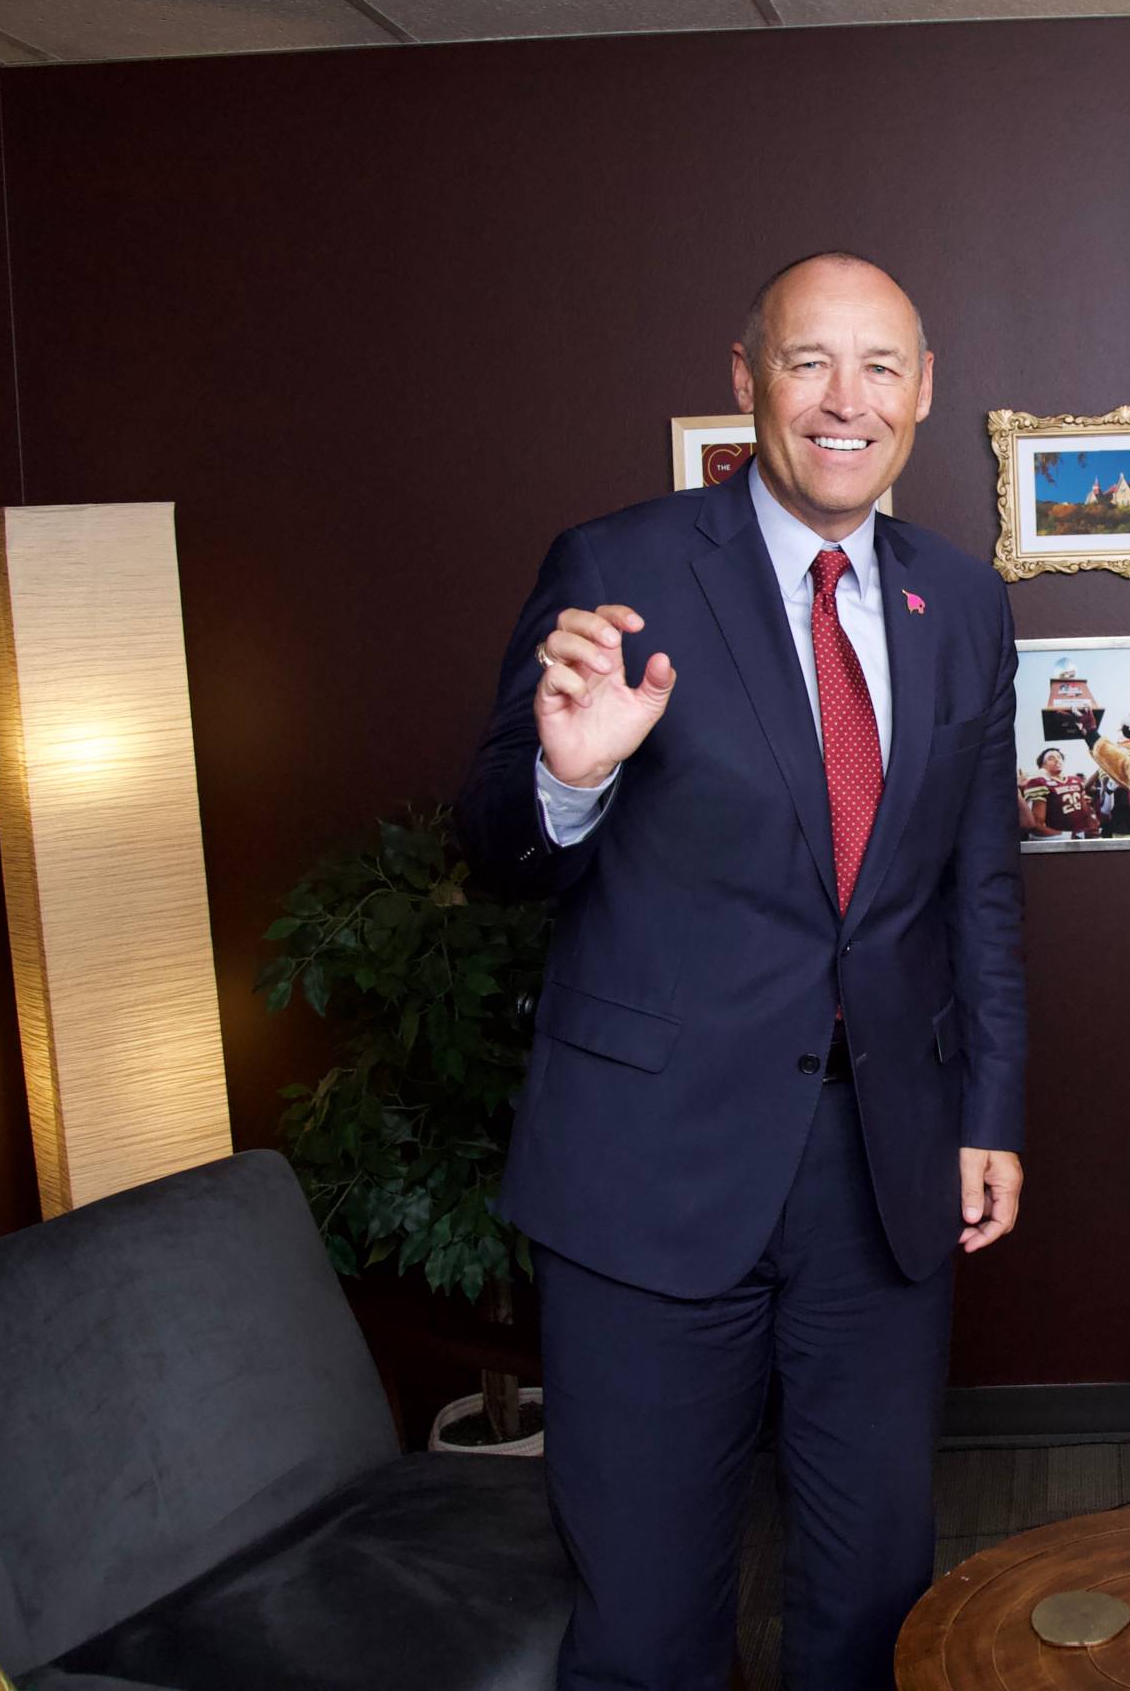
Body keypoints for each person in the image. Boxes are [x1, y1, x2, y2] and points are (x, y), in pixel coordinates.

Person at [459, 252, 1028, 1691]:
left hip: (881, 1167)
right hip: (648, 1168)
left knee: (875, 1596)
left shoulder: (963, 604)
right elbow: (494, 852)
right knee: (647, 1618)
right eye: (808, 361)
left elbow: (979, 886)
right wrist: (568, 778)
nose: (846, 400)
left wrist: (990, 1111)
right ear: (745, 379)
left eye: (880, 367)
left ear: (924, 392)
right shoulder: (619, 570)